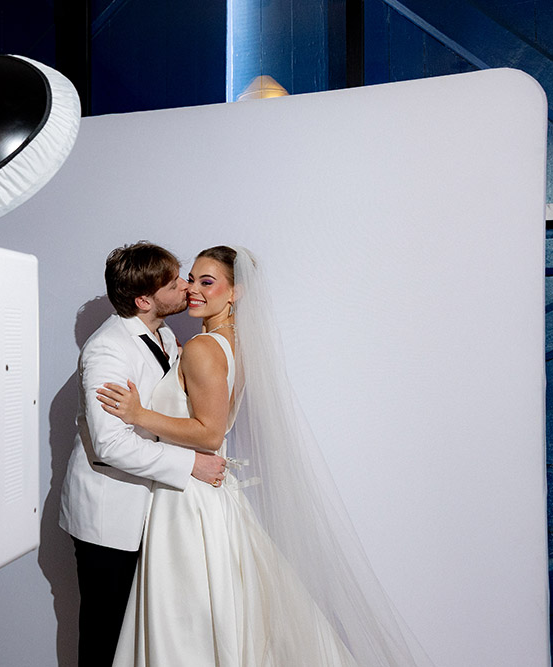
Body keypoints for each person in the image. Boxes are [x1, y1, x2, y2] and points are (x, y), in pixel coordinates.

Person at [98, 246, 430, 666]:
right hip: (204, 490)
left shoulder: (203, 348)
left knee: (185, 622)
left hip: (188, 499)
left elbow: (211, 431)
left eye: (207, 281)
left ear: (234, 293)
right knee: (217, 612)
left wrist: (139, 413)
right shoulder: (232, 342)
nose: (191, 290)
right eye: (191, 279)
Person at [59, 242, 228, 667]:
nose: (186, 286)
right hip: (109, 515)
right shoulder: (106, 351)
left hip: (153, 511)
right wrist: (191, 464)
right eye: (175, 283)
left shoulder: (166, 334)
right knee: (105, 634)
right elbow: (111, 444)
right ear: (144, 300)